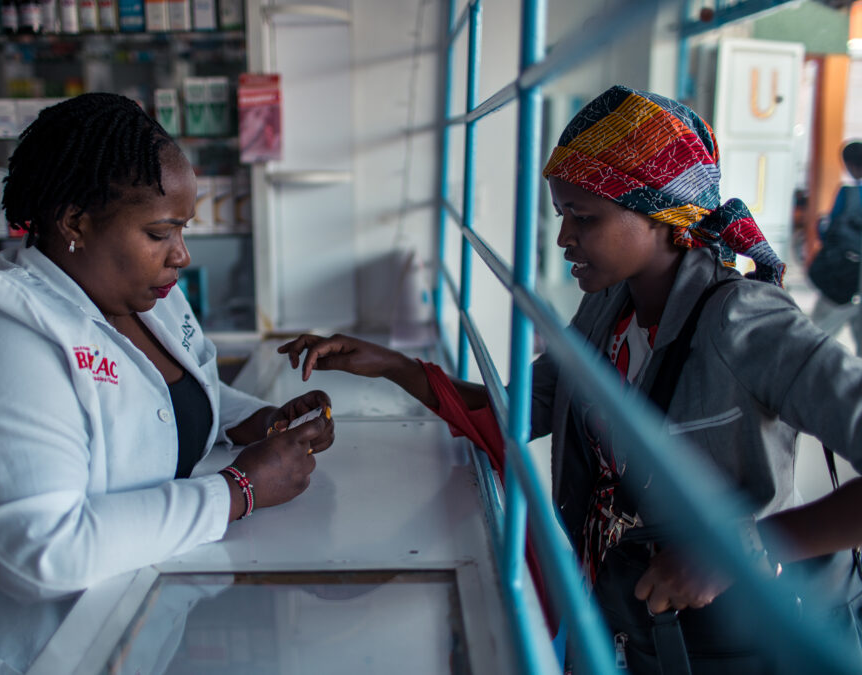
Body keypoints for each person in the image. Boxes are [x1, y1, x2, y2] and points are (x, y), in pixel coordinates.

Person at [279, 86, 862, 673]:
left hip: (731, 642)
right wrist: (392, 367)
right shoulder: (608, 310)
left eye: (584, 218)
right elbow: (518, 412)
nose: (563, 240)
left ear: (662, 217)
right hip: (629, 624)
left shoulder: (746, 324)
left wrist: (739, 552)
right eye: (562, 215)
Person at [0, 93, 333, 675]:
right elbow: (43, 552)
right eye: (159, 232)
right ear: (75, 221)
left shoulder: (149, 299)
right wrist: (239, 490)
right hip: (14, 650)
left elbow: (165, 394)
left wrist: (255, 419)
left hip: (123, 628)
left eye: (183, 229)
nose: (181, 254)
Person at [809, 141, 862, 354]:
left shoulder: (848, 194)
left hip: (845, 277)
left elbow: (829, 232)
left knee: (817, 337)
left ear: (850, 164)